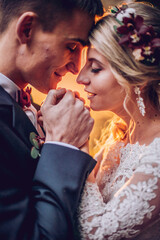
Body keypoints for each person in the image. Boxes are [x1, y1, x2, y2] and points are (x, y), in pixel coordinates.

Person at [0, 0, 104, 239]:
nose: (76, 67)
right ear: (27, 29)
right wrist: (62, 144)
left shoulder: (33, 110)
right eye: (71, 46)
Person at [76, 2, 160, 239]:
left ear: (137, 77)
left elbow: (96, 233)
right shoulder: (119, 138)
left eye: (95, 68)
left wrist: (76, 146)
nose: (81, 78)